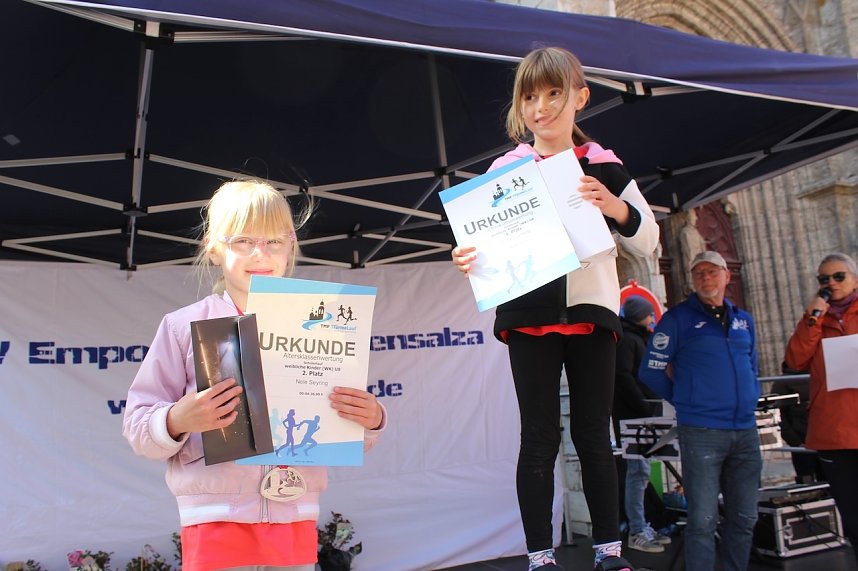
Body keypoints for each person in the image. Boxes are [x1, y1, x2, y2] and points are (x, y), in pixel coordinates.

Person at [452, 47, 660, 571]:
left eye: (553, 94)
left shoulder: (603, 165)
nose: (541, 107)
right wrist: (468, 255)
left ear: (579, 98)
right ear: (521, 106)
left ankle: (609, 549)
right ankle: (539, 554)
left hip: (592, 312)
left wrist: (613, 207)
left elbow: (649, 239)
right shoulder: (506, 170)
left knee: (594, 432)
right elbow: (482, 242)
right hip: (528, 318)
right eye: (530, 96)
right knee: (539, 435)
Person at [122, 180, 386, 571]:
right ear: (214, 248)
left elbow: (338, 423)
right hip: (214, 518)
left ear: (291, 246)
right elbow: (137, 425)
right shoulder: (182, 327)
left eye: (274, 241)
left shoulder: (321, 323)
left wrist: (371, 420)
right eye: (243, 240)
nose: (260, 253)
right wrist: (177, 420)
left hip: (295, 514)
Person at [640, 250, 761, 571]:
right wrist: (685, 401)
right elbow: (651, 370)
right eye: (699, 274)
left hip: (746, 431)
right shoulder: (677, 319)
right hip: (702, 432)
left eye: (712, 272)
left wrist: (753, 396)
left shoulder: (743, 320)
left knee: (746, 516)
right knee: (703, 520)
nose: (706, 278)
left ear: (726, 276)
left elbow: (752, 366)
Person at [784, 252, 858, 564]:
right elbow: (794, 361)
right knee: (854, 519)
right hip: (834, 433)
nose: (831, 284)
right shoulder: (815, 318)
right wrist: (812, 319)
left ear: (854, 280)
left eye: (838, 277)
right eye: (823, 280)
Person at [612, 296, 671, 554]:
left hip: (643, 415)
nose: (652, 318)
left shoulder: (637, 338)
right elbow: (623, 376)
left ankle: (642, 525)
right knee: (637, 473)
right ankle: (637, 529)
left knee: (642, 472)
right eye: (649, 314)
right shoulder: (627, 340)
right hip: (633, 417)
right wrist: (643, 405)